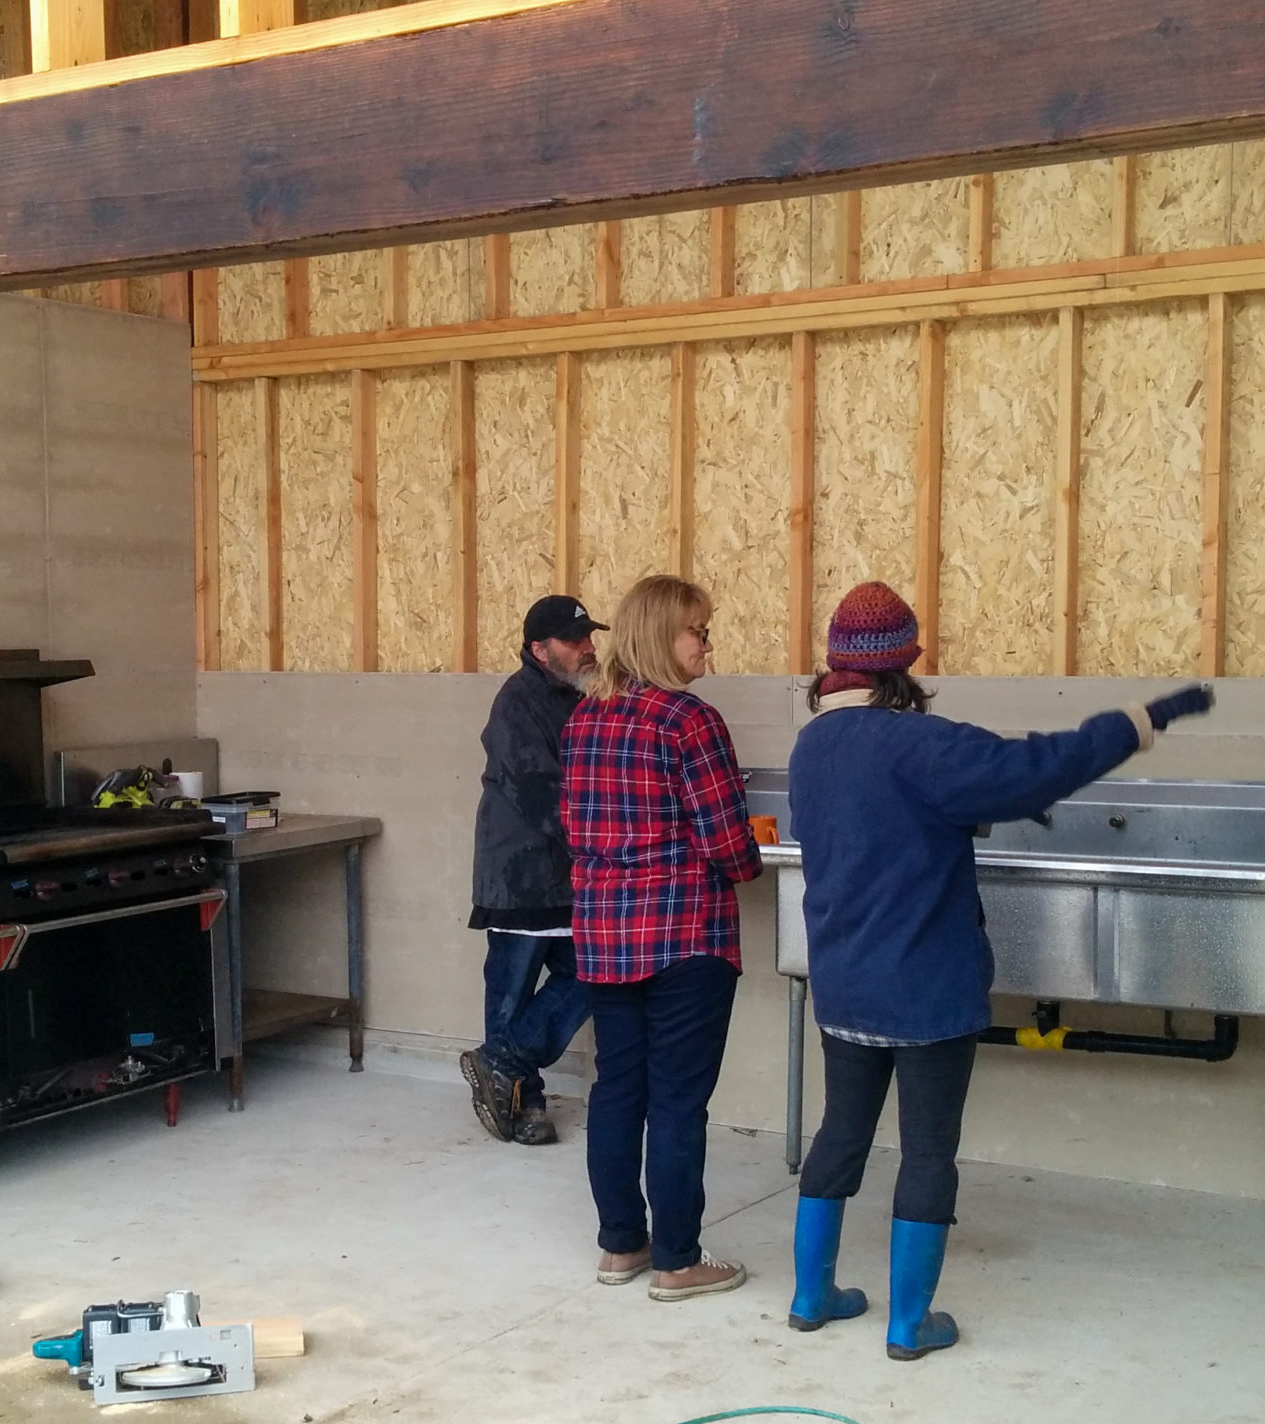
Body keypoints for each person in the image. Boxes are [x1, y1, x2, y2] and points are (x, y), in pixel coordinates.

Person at [785, 581, 1214, 1358]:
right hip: (925, 993)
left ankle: (812, 1295)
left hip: (844, 982)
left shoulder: (811, 745)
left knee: (841, 1130)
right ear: (904, 664)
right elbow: (1033, 769)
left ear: (837, 665)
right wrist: (1134, 725)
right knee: (926, 1152)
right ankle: (910, 1325)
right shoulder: (924, 744)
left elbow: (886, 817)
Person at [560, 574, 765, 1299]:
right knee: (678, 1102)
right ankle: (678, 1260)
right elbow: (727, 846)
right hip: (685, 937)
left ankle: (622, 1246)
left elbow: (576, 831)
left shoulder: (585, 719)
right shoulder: (689, 721)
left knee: (618, 1091)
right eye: (698, 630)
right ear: (661, 636)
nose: (708, 642)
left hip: (607, 937)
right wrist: (750, 855)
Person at [460, 594, 603, 1147]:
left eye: (589, 636)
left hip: (566, 875)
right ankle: (525, 1101)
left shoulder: (579, 697)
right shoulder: (517, 705)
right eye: (575, 640)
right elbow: (541, 795)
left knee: (590, 974)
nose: (588, 647)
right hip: (521, 878)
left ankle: (503, 1062)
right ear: (539, 649)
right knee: (510, 996)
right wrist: (600, 847)